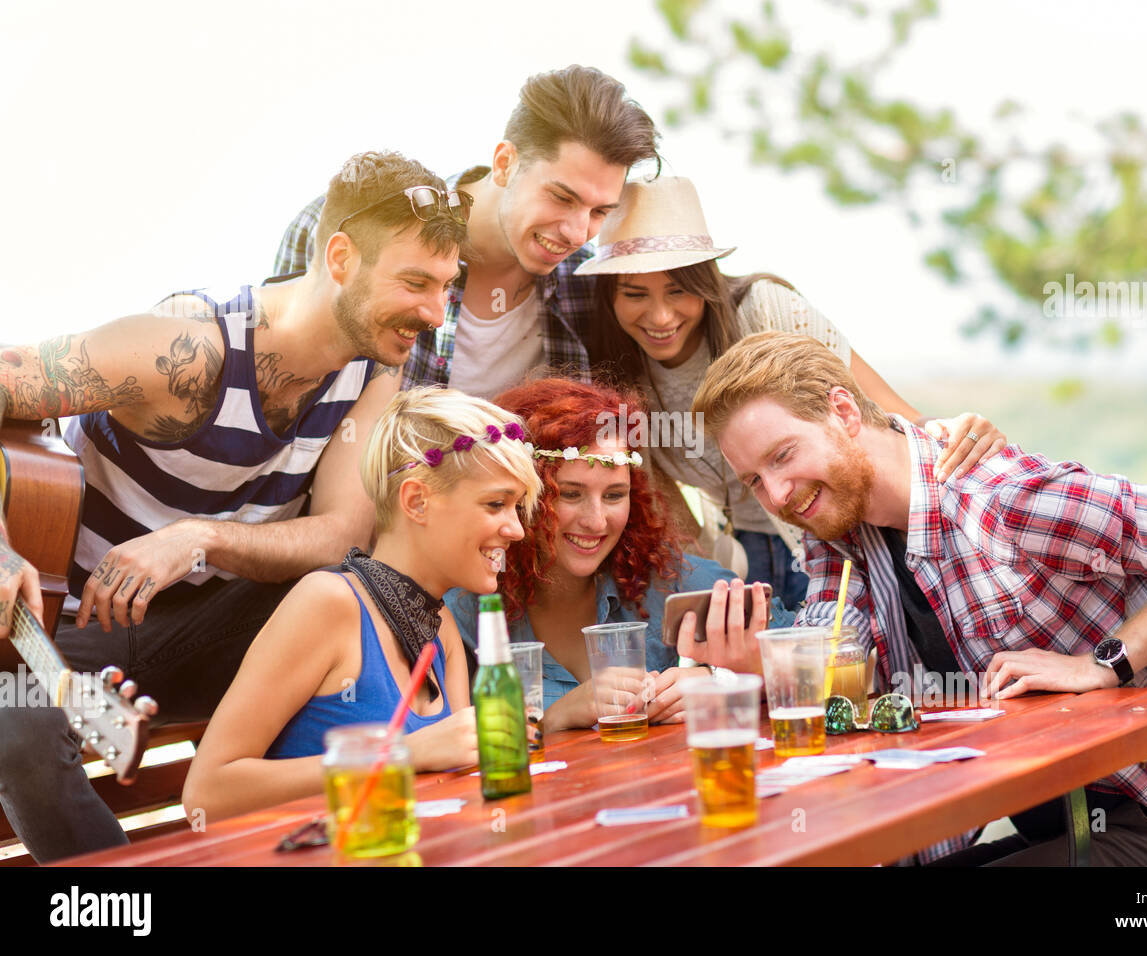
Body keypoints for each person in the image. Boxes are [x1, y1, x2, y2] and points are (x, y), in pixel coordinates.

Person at [0, 149, 465, 862]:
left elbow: (341, 535)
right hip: (63, 634)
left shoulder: (377, 370)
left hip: (209, 637)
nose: (434, 312)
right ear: (339, 256)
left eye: (445, 286)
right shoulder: (185, 350)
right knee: (14, 729)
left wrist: (196, 538)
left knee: (368, 590)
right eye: (414, 283)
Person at [690, 330, 1147, 867]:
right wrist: (754, 669)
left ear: (843, 411)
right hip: (1049, 826)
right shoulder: (836, 536)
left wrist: (1104, 664)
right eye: (754, 481)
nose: (778, 494)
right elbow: (835, 678)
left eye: (783, 455)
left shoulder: (996, 498)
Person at [577, 176, 1007, 609]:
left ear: (706, 282)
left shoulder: (764, 308)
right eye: (635, 295)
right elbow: (661, 494)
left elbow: (878, 410)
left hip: (837, 540)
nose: (661, 315)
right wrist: (710, 578)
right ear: (610, 297)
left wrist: (956, 433)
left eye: (679, 290)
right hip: (740, 554)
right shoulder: (616, 371)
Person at [182, 388, 541, 821]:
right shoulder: (328, 603)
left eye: (517, 506)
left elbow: (458, 783)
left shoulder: (440, 623)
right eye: (496, 504)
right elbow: (207, 793)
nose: (517, 530)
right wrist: (403, 752)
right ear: (416, 501)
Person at [273, 65, 661, 397]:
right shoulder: (344, 229)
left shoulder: (588, 284)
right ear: (505, 163)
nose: (578, 233)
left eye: (599, 212)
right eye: (561, 198)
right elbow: (283, 391)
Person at [445, 378, 792, 732]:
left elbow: (805, 647)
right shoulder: (466, 608)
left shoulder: (667, 579)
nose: (596, 521)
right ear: (519, 496)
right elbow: (447, 746)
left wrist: (718, 679)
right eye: (569, 494)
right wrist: (555, 718)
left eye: (613, 495)